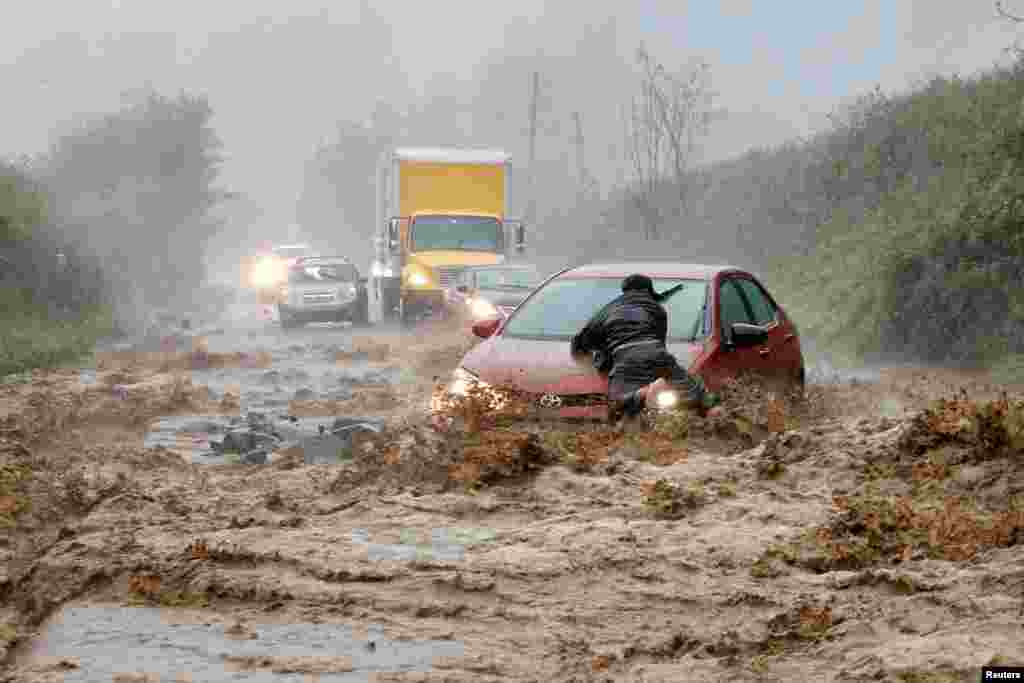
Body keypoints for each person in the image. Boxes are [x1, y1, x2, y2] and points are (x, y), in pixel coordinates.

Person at [571, 273, 721, 427]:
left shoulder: (608, 310)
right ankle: (715, 411)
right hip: (659, 356)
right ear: (649, 290)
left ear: (625, 291)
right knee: (696, 391)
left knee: (617, 404)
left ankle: (643, 394)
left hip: (626, 359)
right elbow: (659, 342)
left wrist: (588, 361)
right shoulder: (657, 309)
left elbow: (581, 343)